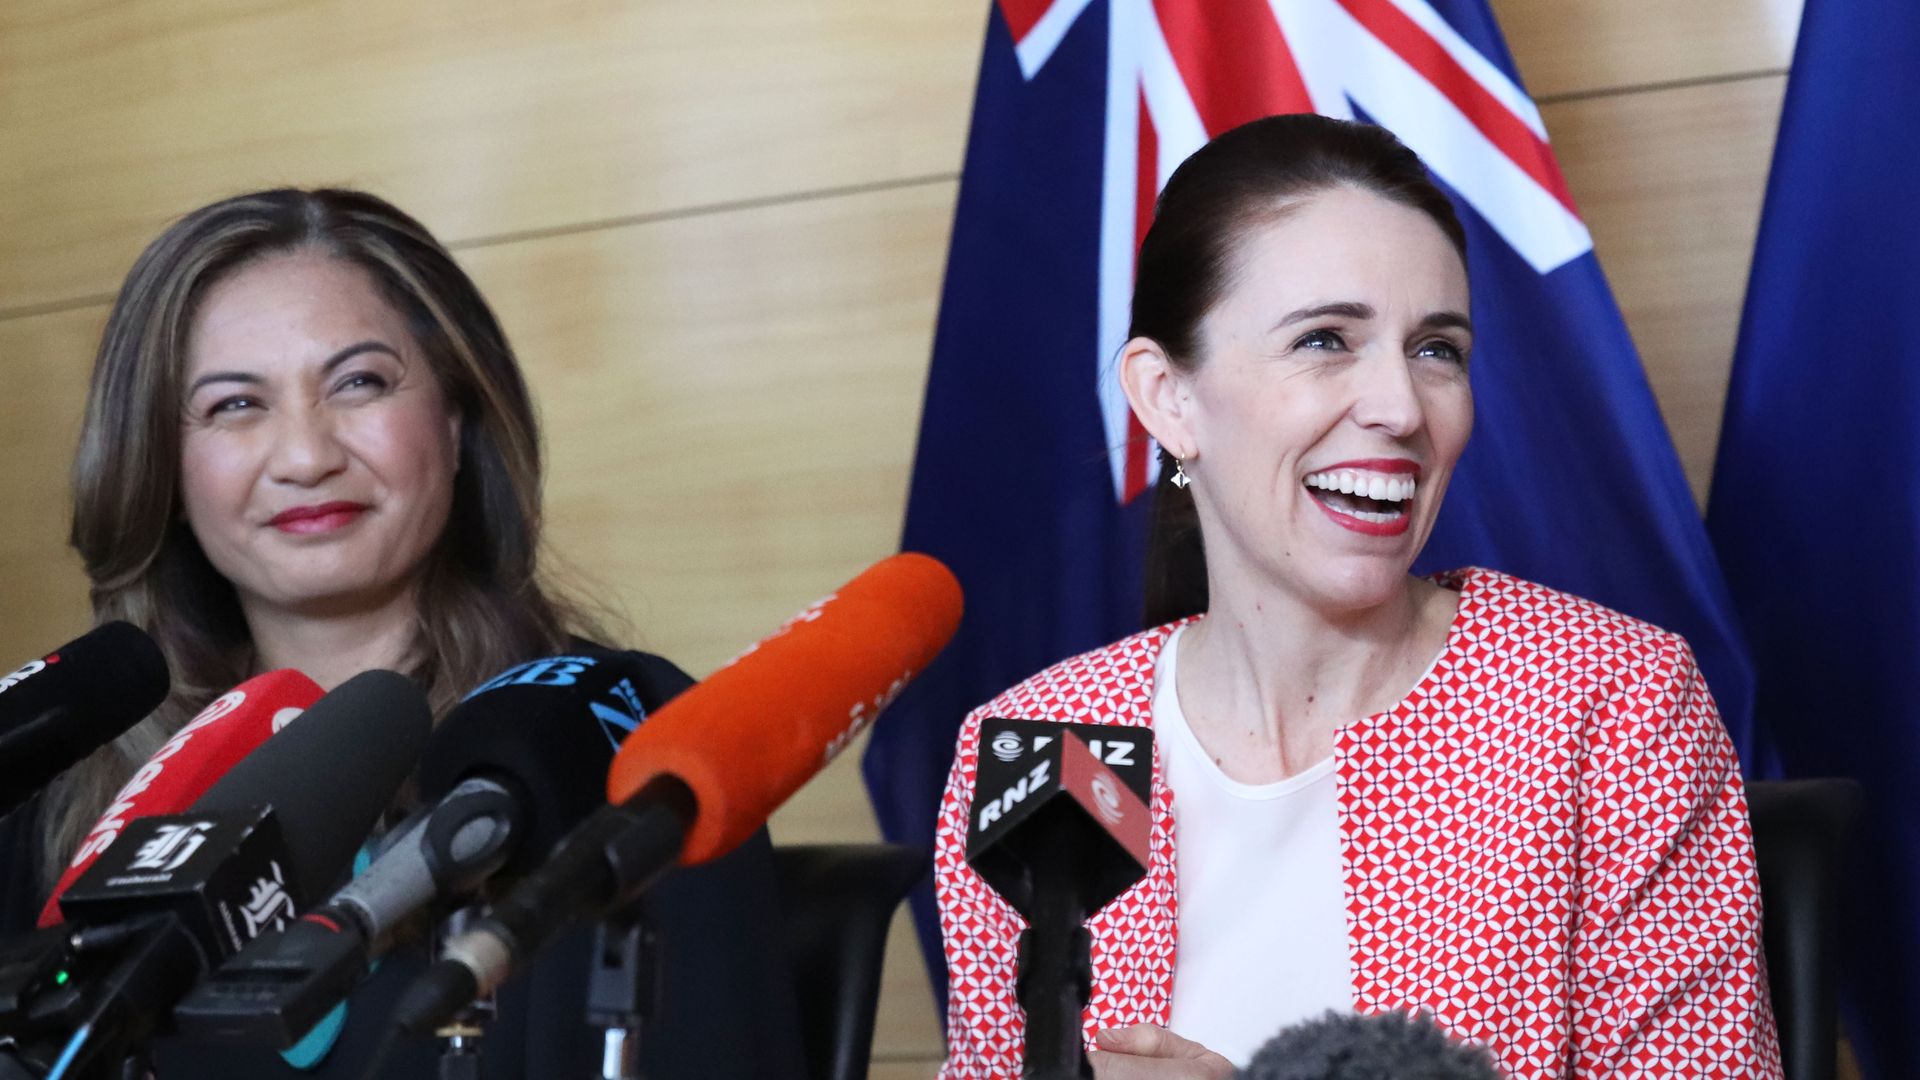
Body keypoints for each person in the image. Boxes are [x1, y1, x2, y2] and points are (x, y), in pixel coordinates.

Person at [933, 116, 1780, 1080]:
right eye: (1326, 340)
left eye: (1438, 350)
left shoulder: (1607, 701)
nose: (1403, 408)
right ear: (1168, 396)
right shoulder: (1045, 741)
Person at [0, 188, 808, 1077]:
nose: (306, 456)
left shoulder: (611, 737)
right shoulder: (61, 808)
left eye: (359, 383)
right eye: (234, 404)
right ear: (163, 467)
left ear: (456, 424)